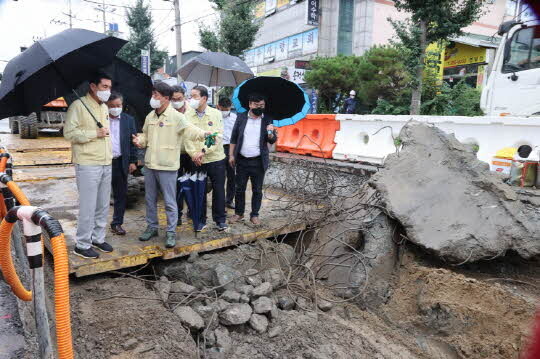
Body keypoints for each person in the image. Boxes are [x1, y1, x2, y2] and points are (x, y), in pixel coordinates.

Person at [132, 82, 209, 248]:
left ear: (165, 98)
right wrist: (140, 141)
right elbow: (145, 136)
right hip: (151, 165)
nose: (153, 98)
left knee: (169, 201)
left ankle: (171, 231)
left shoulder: (177, 117)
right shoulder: (150, 116)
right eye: (153, 95)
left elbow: (192, 130)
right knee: (149, 199)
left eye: (156, 95)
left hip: (167, 166)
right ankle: (152, 227)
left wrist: (206, 134)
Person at [64, 73, 114, 259]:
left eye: (109, 87)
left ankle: (97, 238)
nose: (107, 91)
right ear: (93, 86)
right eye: (104, 87)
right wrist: (95, 133)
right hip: (87, 163)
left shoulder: (103, 107)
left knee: (102, 204)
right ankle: (82, 244)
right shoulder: (78, 106)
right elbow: (69, 133)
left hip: (105, 161)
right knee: (88, 205)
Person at [228, 93, 277, 225]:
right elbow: (234, 138)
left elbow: (272, 141)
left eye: (262, 105)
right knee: (240, 188)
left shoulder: (267, 119)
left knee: (257, 189)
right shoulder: (241, 117)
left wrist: (271, 132)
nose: (259, 107)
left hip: (258, 161)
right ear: (250, 104)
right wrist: (231, 155)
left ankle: (254, 214)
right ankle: (239, 213)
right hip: (242, 159)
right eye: (256, 105)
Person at [184, 86, 227, 232]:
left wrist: (203, 151)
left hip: (216, 159)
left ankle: (220, 220)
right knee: (199, 191)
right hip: (197, 160)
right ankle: (200, 220)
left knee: (219, 190)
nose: (191, 99)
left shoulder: (216, 114)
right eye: (190, 96)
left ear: (204, 98)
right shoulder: (187, 114)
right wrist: (193, 154)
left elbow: (217, 136)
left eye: (195, 96)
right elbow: (186, 137)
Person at [106, 92, 138, 235]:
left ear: (122, 105)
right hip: (104, 162)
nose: (115, 108)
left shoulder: (128, 120)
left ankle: (117, 223)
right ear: (107, 106)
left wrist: (132, 161)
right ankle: (96, 225)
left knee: (120, 194)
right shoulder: (101, 119)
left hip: (120, 162)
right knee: (101, 195)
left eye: (118, 105)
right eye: (112, 106)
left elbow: (133, 142)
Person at [171, 85, 195, 224]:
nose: (176, 101)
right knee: (177, 186)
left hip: (191, 154)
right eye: (173, 99)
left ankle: (191, 211)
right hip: (175, 154)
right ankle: (177, 214)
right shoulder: (168, 112)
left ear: (184, 97)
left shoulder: (193, 111)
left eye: (179, 98)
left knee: (192, 184)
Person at [217, 96, 237, 209]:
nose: (225, 111)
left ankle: (229, 200)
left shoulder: (234, 117)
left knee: (232, 176)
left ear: (230, 107)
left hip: (231, 149)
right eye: (223, 109)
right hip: (218, 148)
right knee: (220, 176)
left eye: (227, 109)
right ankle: (219, 201)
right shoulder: (214, 116)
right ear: (218, 106)